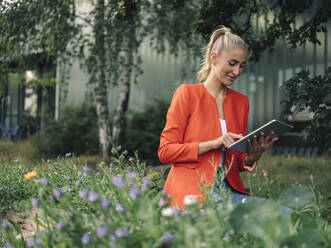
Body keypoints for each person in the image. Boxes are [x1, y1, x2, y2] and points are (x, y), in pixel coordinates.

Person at [158, 26, 282, 212]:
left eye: (241, 65)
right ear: (214, 58)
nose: (237, 71)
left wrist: (252, 157)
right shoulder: (187, 94)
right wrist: (212, 143)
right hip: (193, 193)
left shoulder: (241, 103)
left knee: (283, 216)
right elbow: (165, 151)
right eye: (232, 63)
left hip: (230, 193)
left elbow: (236, 162)